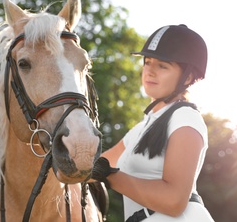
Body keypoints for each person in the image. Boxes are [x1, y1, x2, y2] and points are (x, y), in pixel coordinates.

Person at [91, 24, 214, 221]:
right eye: (147, 62)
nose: (150, 71)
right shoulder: (140, 129)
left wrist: (109, 176)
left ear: (188, 77)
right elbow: (92, 167)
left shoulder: (185, 118)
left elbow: (174, 200)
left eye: (162, 66)